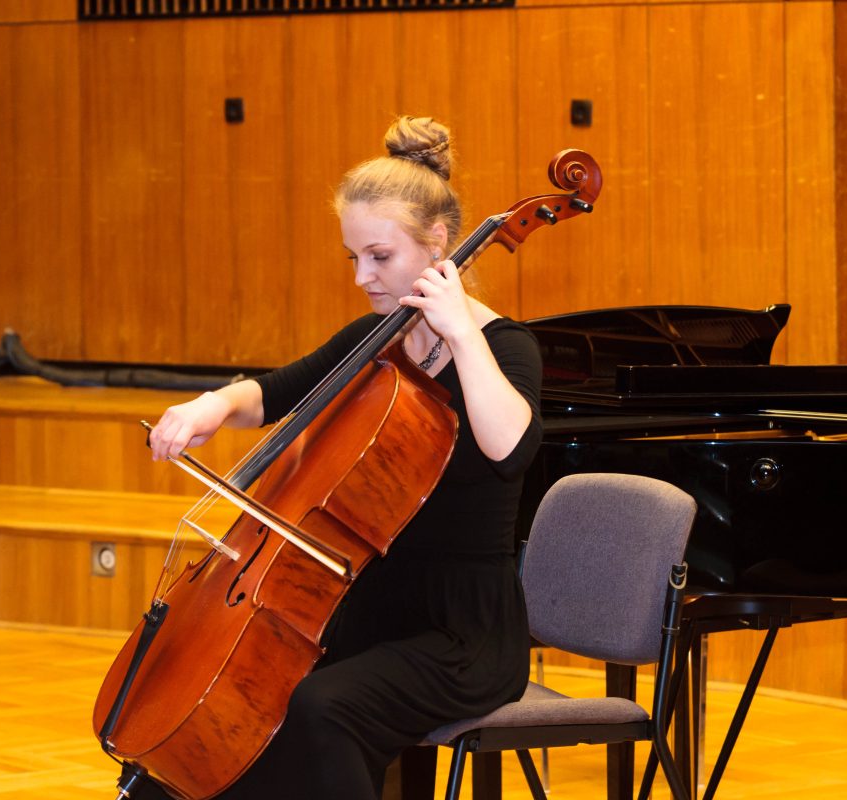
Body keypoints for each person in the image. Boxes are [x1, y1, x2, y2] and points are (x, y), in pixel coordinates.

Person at [138, 115, 543, 799]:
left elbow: (512, 447)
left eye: (379, 256)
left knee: (321, 709)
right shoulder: (373, 340)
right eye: (353, 258)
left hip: (462, 636)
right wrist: (211, 406)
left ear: (438, 242)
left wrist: (461, 334)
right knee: (237, 701)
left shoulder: (506, 348)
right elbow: (272, 394)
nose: (362, 276)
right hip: (366, 611)